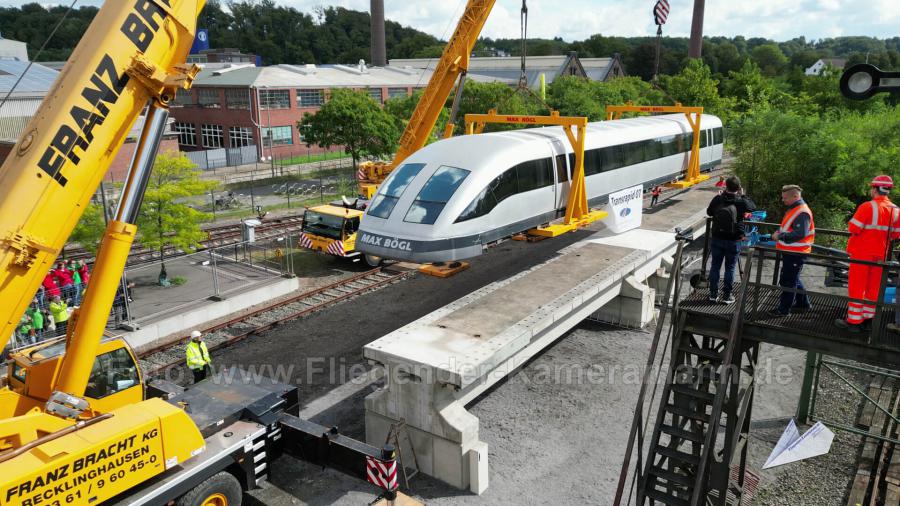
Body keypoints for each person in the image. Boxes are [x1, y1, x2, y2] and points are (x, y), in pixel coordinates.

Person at [836, 176, 900, 333]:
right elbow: (896, 235)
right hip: (881, 255)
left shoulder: (867, 207)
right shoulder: (896, 210)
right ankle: (868, 320)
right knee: (874, 289)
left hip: (862, 254)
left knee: (857, 287)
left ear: (875, 189)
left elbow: (853, 228)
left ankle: (853, 322)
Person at [706, 176, 756, 304]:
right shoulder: (740, 201)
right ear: (739, 188)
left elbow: (709, 212)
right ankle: (727, 296)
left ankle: (713, 294)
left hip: (717, 237)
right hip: (734, 239)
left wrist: (719, 198)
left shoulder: (718, 198)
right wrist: (743, 195)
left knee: (715, 266)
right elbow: (752, 207)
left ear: (725, 186)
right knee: (730, 268)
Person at [769, 185, 815, 316]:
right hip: (792, 252)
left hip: (796, 253)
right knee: (792, 279)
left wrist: (780, 236)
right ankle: (803, 303)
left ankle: (783, 310)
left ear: (795, 196)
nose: (783, 200)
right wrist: (779, 232)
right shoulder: (795, 209)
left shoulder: (802, 212)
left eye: (785, 198)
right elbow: (788, 228)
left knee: (788, 281)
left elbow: (800, 233)